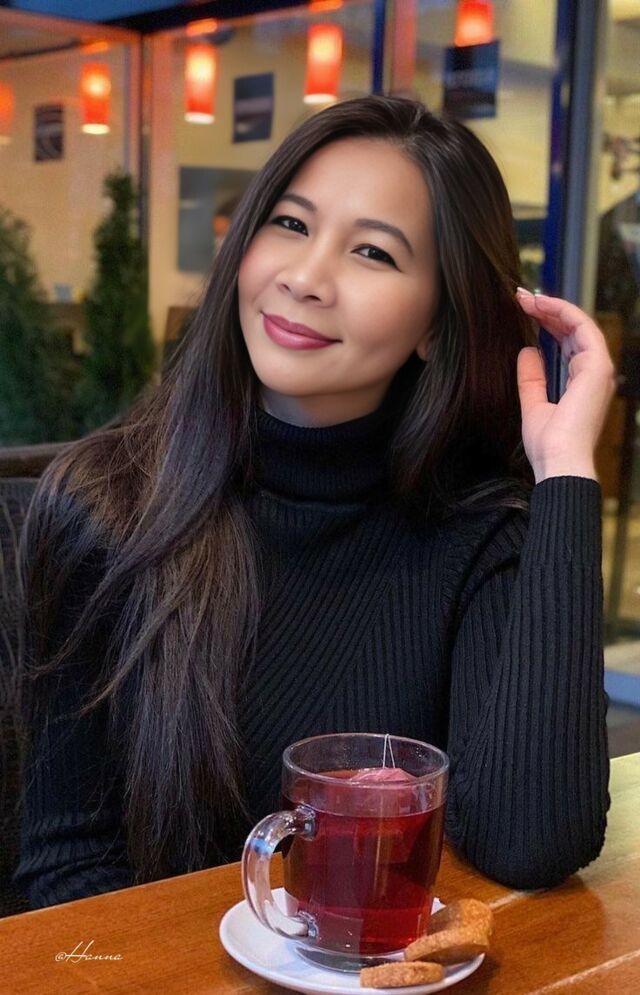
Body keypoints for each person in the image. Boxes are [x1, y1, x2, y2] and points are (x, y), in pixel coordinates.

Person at [13, 95, 615, 910]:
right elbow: (63, 870)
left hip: (368, 962)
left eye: (372, 251)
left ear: (438, 323)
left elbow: (532, 840)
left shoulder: (476, 533)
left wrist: (566, 475)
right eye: (291, 224)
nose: (304, 277)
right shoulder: (109, 508)